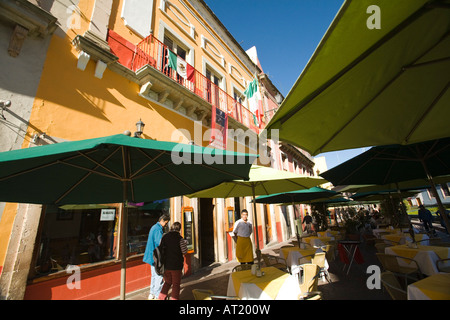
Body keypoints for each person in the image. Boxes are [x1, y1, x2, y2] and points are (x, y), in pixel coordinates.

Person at [143, 213, 170, 300]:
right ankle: (158, 294)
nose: (166, 225)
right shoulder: (158, 229)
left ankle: (152, 293)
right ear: (162, 221)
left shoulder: (154, 227)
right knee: (159, 276)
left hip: (151, 256)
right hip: (156, 257)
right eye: (166, 223)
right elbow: (160, 243)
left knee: (154, 276)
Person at [158, 222, 188, 300]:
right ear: (179, 229)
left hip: (166, 265)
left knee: (167, 282)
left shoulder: (164, 237)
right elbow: (184, 251)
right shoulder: (180, 239)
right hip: (176, 265)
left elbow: (161, 248)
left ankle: (161, 298)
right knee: (176, 284)